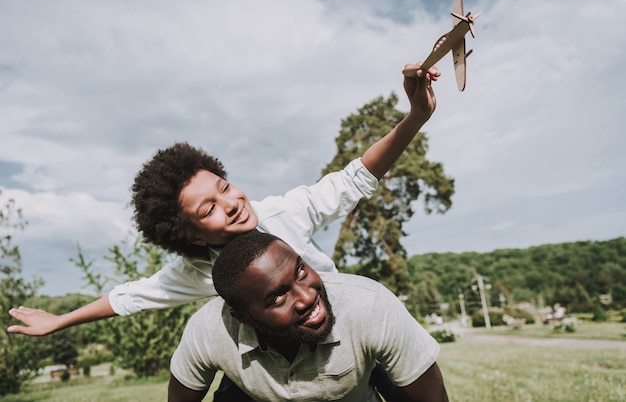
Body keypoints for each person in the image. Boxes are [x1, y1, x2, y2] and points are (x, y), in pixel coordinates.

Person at [7, 63, 439, 335]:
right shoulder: (195, 272)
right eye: (208, 209)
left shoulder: (282, 213)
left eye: (224, 187)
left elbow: (355, 177)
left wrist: (415, 117)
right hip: (277, 346)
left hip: (342, 326)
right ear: (191, 237)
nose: (231, 202)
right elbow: (128, 298)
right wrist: (60, 320)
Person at [169, 230, 449, 402]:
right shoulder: (208, 331)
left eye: (300, 271)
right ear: (243, 318)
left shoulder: (369, 304)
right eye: (279, 295)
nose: (307, 297)